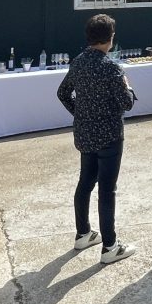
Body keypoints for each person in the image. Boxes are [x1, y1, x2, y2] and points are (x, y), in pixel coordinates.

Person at [57, 14, 137, 265]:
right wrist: (128, 86)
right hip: (110, 135)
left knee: (85, 182)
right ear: (110, 38)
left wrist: (80, 113)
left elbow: (62, 93)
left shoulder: (79, 62)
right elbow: (126, 104)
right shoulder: (111, 67)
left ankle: (83, 233)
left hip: (85, 132)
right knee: (107, 190)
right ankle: (110, 245)